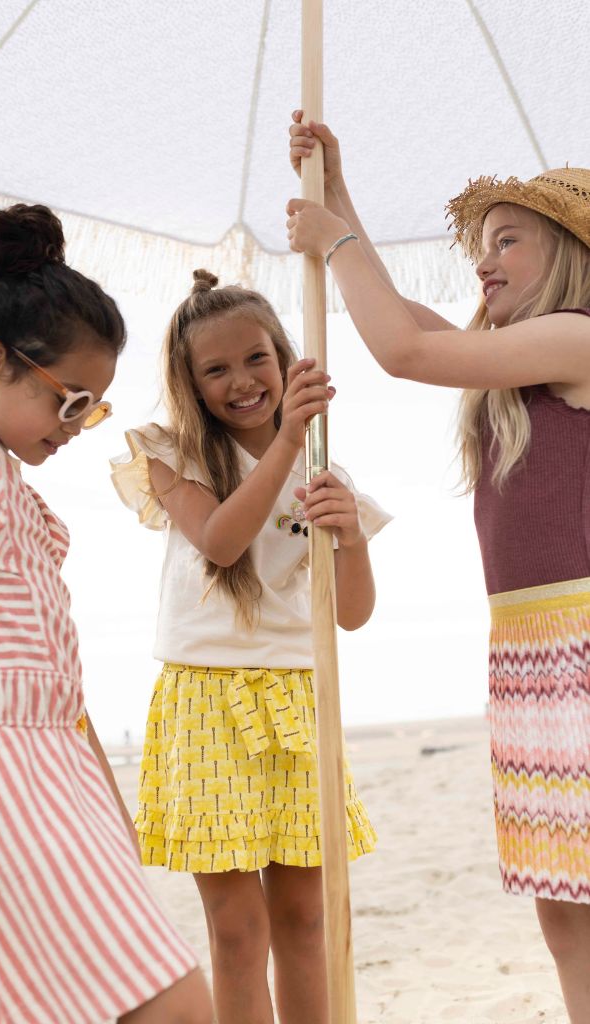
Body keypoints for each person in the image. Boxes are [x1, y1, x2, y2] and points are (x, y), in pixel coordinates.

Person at [287, 110, 590, 1022]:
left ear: (574, 257)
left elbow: (407, 352)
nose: (484, 259)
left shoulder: (579, 334)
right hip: (530, 652)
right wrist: (340, 202)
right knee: (563, 904)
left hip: (579, 642)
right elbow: (410, 320)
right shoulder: (512, 367)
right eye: (481, 244)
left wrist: (332, 240)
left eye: (509, 241)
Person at [0, 203, 212, 1024]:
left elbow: (63, 694)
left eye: (95, 409)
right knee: (172, 1005)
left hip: (56, 771)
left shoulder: (25, 504)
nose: (80, 426)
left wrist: (112, 818)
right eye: (71, 401)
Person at [110, 269, 391, 1024]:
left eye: (257, 359)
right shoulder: (172, 454)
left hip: (299, 696)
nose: (242, 381)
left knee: (306, 917)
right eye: (216, 369)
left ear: (285, 356)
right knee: (238, 929)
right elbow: (221, 542)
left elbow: (354, 614)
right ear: (191, 383)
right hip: (207, 698)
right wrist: (289, 442)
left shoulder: (325, 471)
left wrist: (352, 535)